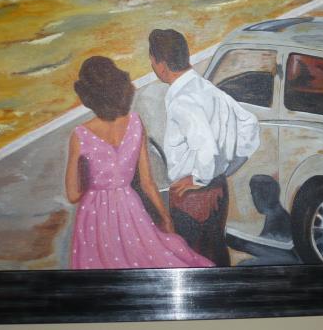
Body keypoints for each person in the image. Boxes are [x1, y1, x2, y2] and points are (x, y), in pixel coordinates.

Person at [65, 56, 214, 270]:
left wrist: (91, 176)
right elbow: (147, 183)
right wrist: (165, 219)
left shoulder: (80, 135)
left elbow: (73, 194)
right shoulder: (135, 123)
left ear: (87, 95)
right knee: (148, 257)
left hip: (95, 217)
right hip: (130, 209)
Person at [148, 29, 260, 266]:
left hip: (192, 197)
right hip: (218, 187)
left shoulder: (182, 100)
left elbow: (205, 147)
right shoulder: (208, 89)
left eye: (152, 60)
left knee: (193, 258)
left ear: (162, 65)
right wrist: (228, 167)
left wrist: (198, 178)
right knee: (215, 250)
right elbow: (250, 125)